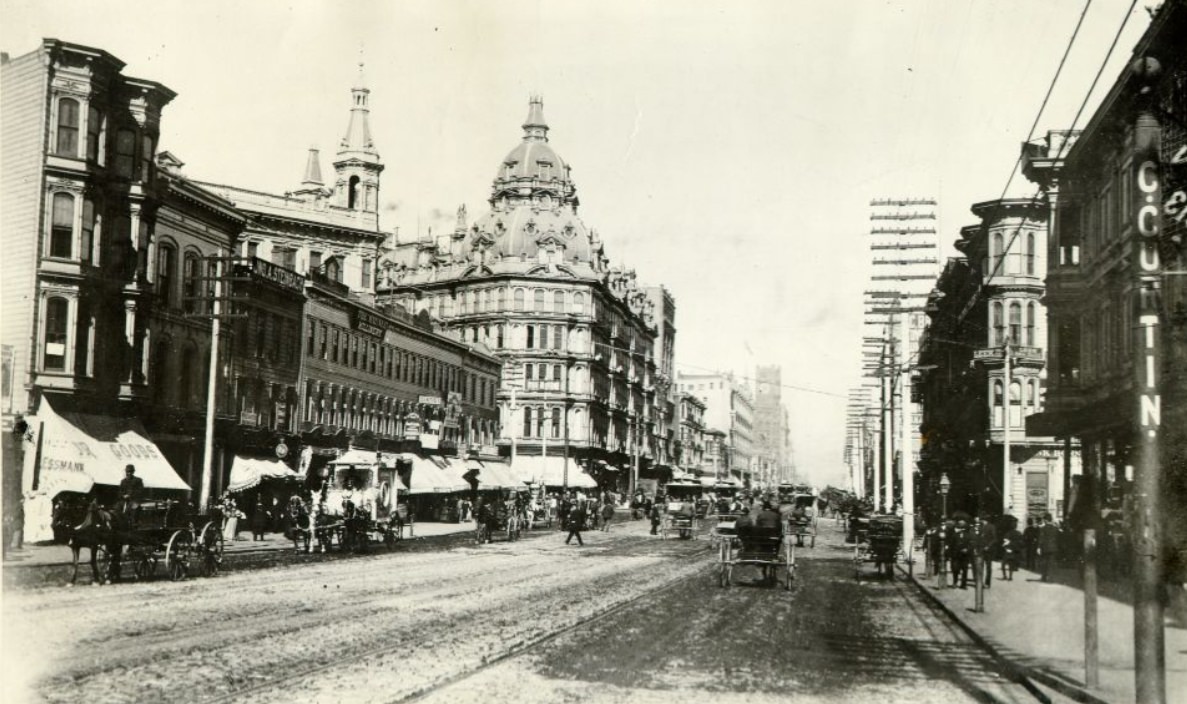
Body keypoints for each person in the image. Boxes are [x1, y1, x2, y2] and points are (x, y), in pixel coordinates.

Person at [1038, 512, 1060, 582]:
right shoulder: (1055, 528)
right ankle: (1051, 578)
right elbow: (1058, 538)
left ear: (1045, 520)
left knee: (1044, 563)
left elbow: (1041, 538)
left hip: (1045, 548)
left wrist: (1038, 547)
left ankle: (1044, 577)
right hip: (1053, 548)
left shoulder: (1043, 529)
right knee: (1051, 563)